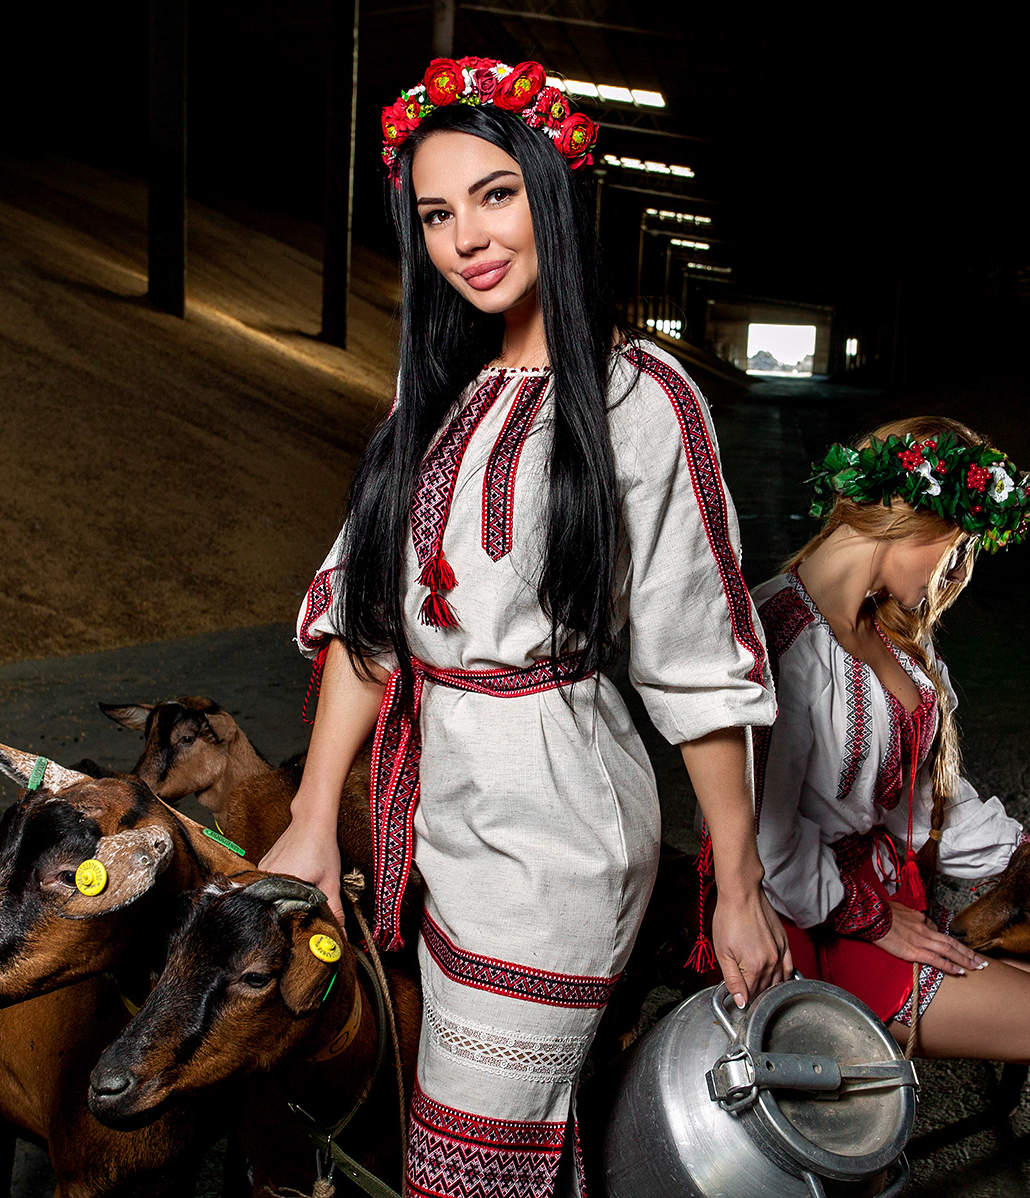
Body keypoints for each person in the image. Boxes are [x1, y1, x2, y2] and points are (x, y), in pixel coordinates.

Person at [259, 57, 789, 1197]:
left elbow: (698, 664)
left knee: (470, 1162)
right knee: (470, 1146)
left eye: (495, 195)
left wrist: (738, 886)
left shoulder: (642, 398)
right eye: (436, 213)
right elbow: (366, 623)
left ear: (552, 191)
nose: (466, 238)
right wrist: (311, 821)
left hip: (561, 831)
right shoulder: (431, 393)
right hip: (441, 812)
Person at [752, 417, 1030, 1198]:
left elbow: (928, 808)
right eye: (952, 553)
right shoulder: (777, 635)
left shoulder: (887, 632)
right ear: (911, 523)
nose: (951, 576)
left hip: (883, 902)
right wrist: (870, 917)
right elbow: (760, 843)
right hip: (811, 927)